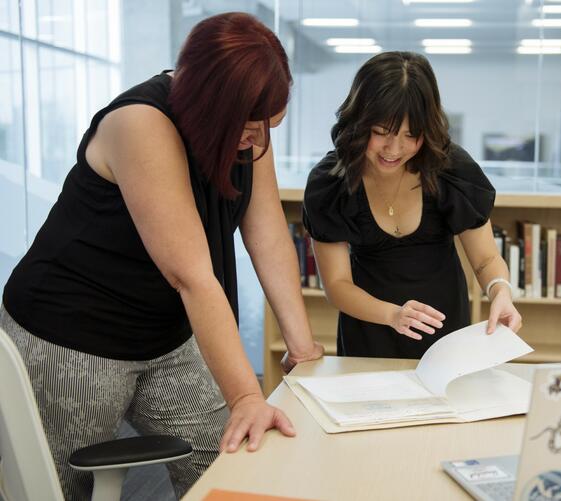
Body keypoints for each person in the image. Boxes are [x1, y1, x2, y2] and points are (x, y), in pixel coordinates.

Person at [0, 13, 323, 500]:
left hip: (165, 337)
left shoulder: (246, 126)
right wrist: (245, 395)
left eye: (268, 125)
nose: (257, 139)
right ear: (211, 102)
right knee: (64, 490)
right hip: (71, 333)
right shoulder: (140, 123)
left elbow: (269, 233)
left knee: (236, 459)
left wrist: (303, 350)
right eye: (250, 126)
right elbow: (192, 275)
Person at [302, 51, 523, 359]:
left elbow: (486, 259)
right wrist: (393, 315)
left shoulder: (450, 170)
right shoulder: (332, 182)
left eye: (411, 135)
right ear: (359, 122)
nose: (394, 149)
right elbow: (337, 285)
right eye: (380, 133)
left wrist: (501, 291)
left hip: (446, 336)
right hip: (369, 333)